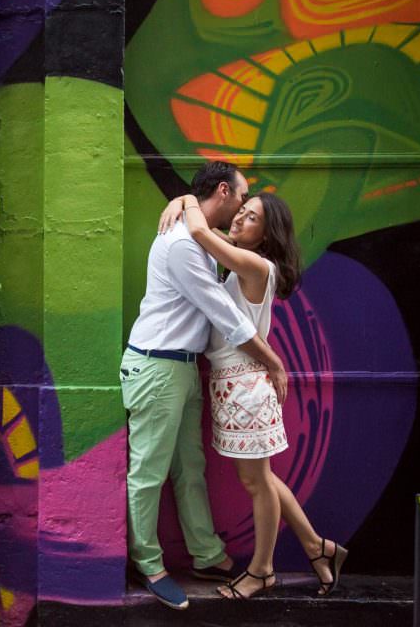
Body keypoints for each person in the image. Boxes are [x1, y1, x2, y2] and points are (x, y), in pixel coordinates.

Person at [158, 189, 348, 600]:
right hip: (233, 384)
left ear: (267, 234)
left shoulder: (255, 264)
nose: (240, 219)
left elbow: (201, 232)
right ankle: (318, 548)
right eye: (240, 212)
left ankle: (262, 571)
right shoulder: (244, 258)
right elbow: (213, 234)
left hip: (245, 386)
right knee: (262, 478)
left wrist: (187, 198)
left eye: (252, 218)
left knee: (256, 481)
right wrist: (189, 209)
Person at [120, 161, 289, 610]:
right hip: (158, 367)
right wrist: (274, 362)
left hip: (183, 367)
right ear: (224, 191)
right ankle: (149, 563)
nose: (241, 208)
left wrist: (184, 199)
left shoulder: (202, 239)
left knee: (189, 466)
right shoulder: (183, 244)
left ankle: (205, 552)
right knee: (150, 471)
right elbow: (224, 313)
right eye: (242, 196)